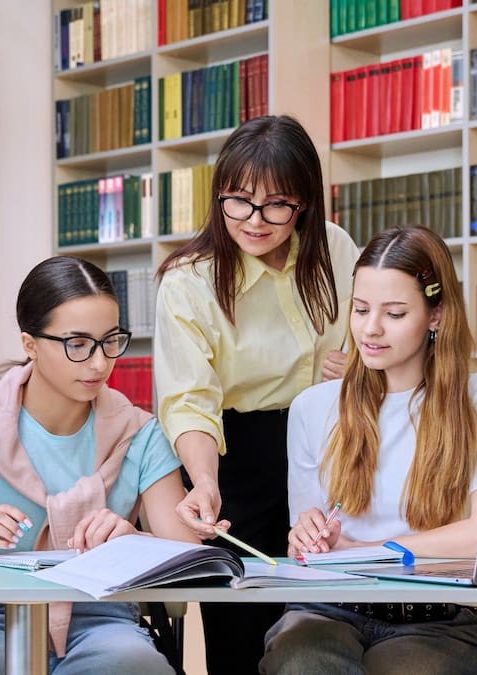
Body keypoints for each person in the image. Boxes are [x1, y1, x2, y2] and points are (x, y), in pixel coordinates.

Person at [0, 255, 198, 675]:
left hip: (107, 620)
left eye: (110, 341)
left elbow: (189, 561)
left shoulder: (141, 434)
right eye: (77, 344)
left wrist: (134, 543)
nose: (100, 363)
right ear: (30, 344)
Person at [154, 114, 359, 673]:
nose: (255, 220)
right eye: (238, 201)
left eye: (277, 205)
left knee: (324, 622)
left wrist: (354, 369)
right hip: (233, 457)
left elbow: (376, 336)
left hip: (327, 447)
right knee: (240, 632)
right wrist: (204, 484)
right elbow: (189, 400)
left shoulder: (336, 250)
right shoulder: (189, 280)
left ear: (305, 203)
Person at [261, 225, 477, 674]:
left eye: (394, 313)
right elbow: (309, 543)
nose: (370, 329)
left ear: (436, 315)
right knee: (302, 663)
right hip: (330, 609)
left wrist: (364, 548)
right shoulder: (312, 409)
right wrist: (310, 536)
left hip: (437, 619)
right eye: (360, 309)